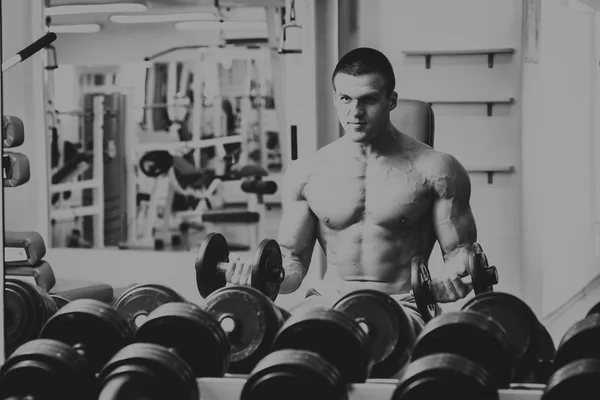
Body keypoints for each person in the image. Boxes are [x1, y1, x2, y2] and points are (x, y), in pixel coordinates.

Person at [225, 47, 479, 328]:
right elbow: (292, 260)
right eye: (345, 98)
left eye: (368, 99)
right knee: (278, 340)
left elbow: (459, 253)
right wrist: (261, 275)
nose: (355, 112)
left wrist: (454, 277)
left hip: (402, 304)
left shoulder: (437, 170)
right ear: (335, 98)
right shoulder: (308, 173)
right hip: (327, 300)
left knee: (376, 343)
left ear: (391, 100)